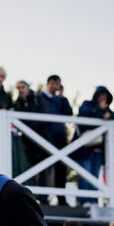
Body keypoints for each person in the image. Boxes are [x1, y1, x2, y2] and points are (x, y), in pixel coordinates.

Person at [74, 86, 114, 205]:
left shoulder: (108, 110)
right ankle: (84, 201)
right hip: (85, 148)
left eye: (105, 96)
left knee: (95, 175)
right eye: (101, 95)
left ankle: (93, 200)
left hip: (99, 149)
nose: (103, 98)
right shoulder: (88, 105)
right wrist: (99, 110)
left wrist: (109, 116)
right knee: (85, 174)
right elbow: (83, 116)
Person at [33, 75, 73, 205]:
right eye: (54, 83)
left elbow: (69, 113)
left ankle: (62, 198)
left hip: (60, 136)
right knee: (44, 167)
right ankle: (43, 198)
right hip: (45, 136)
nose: (56, 86)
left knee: (61, 168)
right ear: (48, 84)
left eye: (58, 84)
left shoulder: (60, 99)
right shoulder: (39, 98)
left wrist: (62, 96)